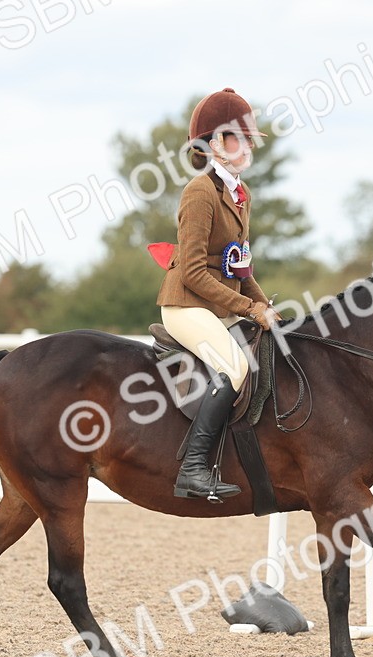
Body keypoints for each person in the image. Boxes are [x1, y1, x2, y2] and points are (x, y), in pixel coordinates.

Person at [156, 87, 276, 501]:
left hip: (219, 305)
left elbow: (240, 266)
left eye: (248, 139)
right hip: (186, 304)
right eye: (238, 139)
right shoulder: (200, 192)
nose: (247, 146)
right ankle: (192, 469)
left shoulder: (242, 194)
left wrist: (265, 307)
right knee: (236, 368)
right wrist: (248, 309)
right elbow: (192, 272)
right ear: (214, 145)